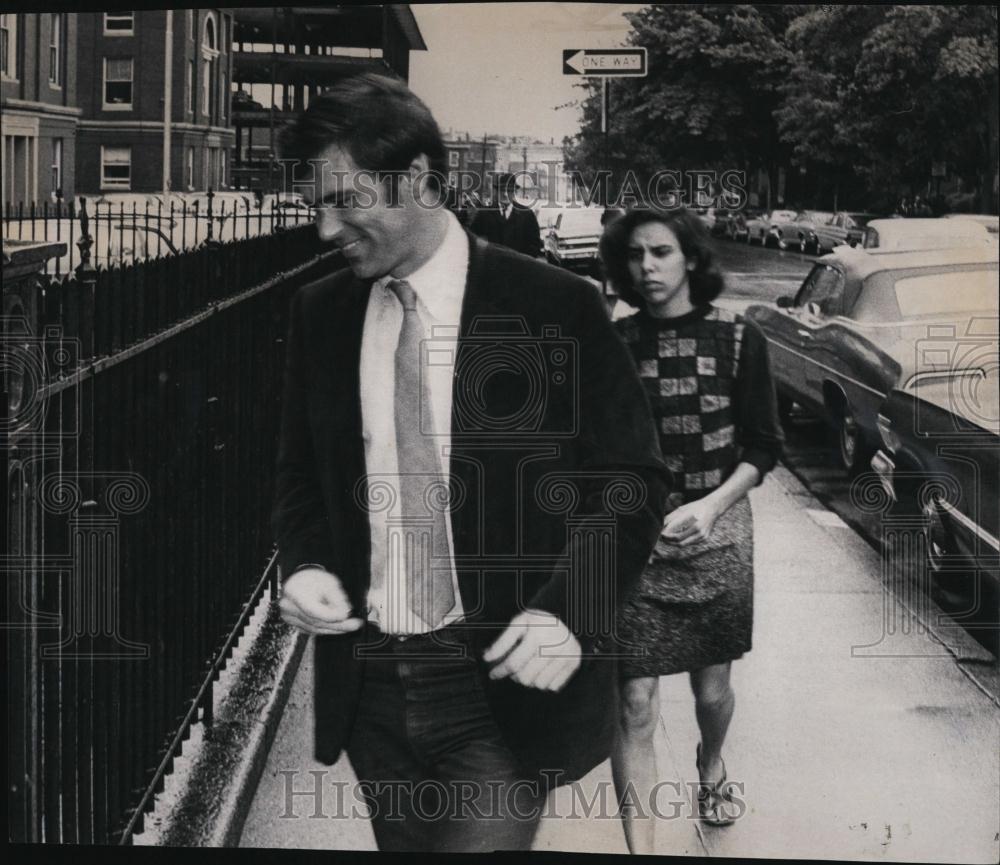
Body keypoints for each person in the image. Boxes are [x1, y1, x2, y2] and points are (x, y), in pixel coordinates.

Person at [272, 73, 670, 853]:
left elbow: (633, 480)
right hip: (373, 688)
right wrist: (307, 563)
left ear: (418, 180)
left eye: (346, 200)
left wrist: (570, 608)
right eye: (316, 204)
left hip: (497, 690)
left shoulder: (555, 305)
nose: (325, 230)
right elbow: (298, 477)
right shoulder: (319, 316)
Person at [598, 207, 784, 854]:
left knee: (712, 690)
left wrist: (711, 506)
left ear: (691, 260)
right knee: (635, 703)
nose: (645, 267)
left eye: (660, 252)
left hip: (718, 532)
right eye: (634, 256)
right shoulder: (616, 344)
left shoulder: (738, 338)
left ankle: (711, 762)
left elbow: (763, 446)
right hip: (638, 543)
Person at [469, 173, 544, 257]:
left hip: (518, 266)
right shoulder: (485, 213)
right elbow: (473, 240)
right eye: (502, 189)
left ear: (515, 192)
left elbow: (534, 245)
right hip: (491, 266)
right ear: (497, 191)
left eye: (509, 190)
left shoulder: (526, 214)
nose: (505, 194)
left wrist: (524, 262)